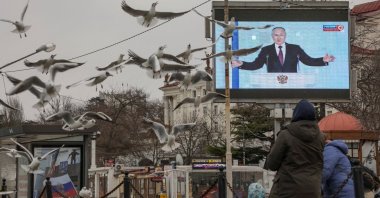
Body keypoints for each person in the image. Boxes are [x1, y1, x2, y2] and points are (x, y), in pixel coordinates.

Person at [264, 99, 325, 197]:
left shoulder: (285, 135)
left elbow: (272, 164)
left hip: (287, 191)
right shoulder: (321, 137)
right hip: (313, 191)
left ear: (296, 115)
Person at [231, 27, 335, 73]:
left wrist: (323, 60)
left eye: (281, 35)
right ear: (272, 36)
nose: (279, 37)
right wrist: (241, 64)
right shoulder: (266, 50)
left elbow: (308, 61)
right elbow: (256, 65)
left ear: (285, 36)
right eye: (276, 35)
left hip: (293, 84)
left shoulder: (295, 48)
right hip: (272, 85)